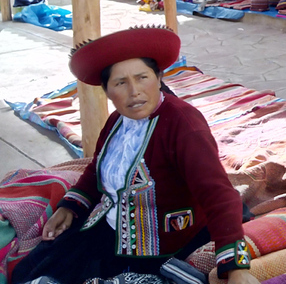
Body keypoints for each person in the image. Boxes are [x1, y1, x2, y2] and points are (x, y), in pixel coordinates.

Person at [11, 27, 256, 284]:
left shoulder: (184, 124)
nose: (134, 91)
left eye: (142, 78)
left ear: (159, 77)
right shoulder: (117, 120)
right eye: (120, 83)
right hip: (109, 229)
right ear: (106, 91)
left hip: (165, 241)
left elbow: (217, 192)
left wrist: (237, 267)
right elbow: (98, 168)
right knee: (33, 272)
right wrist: (70, 207)